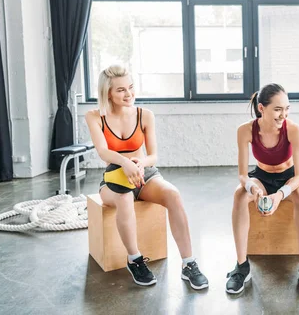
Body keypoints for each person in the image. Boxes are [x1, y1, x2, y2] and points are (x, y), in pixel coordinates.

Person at [85, 64, 208, 290]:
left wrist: (140, 163)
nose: (129, 94)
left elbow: (153, 156)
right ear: (108, 93)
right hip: (113, 179)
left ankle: (188, 263)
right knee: (123, 198)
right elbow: (103, 152)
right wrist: (124, 162)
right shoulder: (95, 117)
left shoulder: (145, 115)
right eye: (120, 90)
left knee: (173, 194)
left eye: (130, 87)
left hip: (145, 175)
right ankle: (135, 260)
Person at [226, 83, 299, 295]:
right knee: (239, 195)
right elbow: (243, 175)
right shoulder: (245, 130)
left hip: (289, 177)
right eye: (278, 109)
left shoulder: (293, 129)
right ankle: (242, 266)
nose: (283, 114)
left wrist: (280, 195)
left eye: (287, 108)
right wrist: (253, 189)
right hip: (261, 176)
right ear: (262, 108)